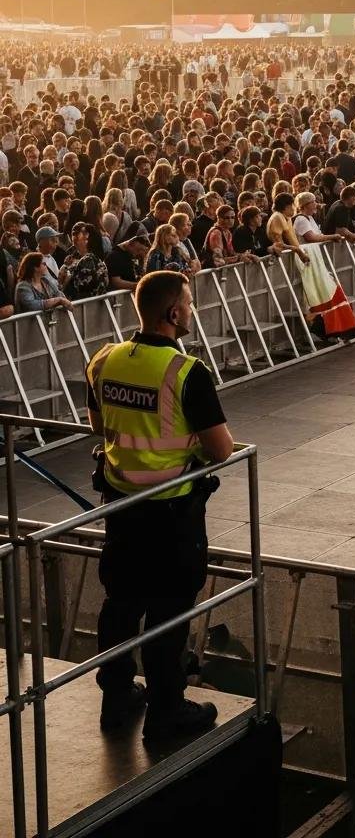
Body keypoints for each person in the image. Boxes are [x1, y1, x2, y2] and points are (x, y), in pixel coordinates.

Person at [86, 270, 234, 739]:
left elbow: (99, 424)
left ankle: (116, 694)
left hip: (122, 507)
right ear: (173, 313)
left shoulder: (104, 359)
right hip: (172, 511)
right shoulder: (186, 371)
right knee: (169, 610)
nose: (190, 311)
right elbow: (221, 450)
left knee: (122, 602)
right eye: (188, 304)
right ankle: (167, 709)